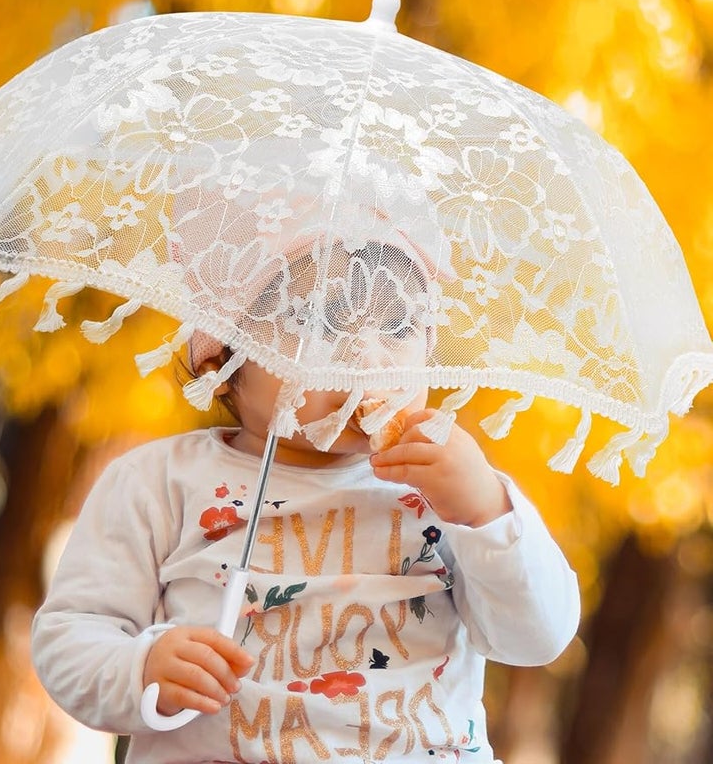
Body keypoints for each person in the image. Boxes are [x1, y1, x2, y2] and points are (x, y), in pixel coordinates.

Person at [31, 241, 581, 764]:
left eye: (398, 325)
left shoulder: (452, 491)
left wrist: (488, 512)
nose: (367, 355)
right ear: (222, 358)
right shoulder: (160, 482)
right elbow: (71, 634)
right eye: (319, 322)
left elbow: (538, 638)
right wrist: (140, 669)